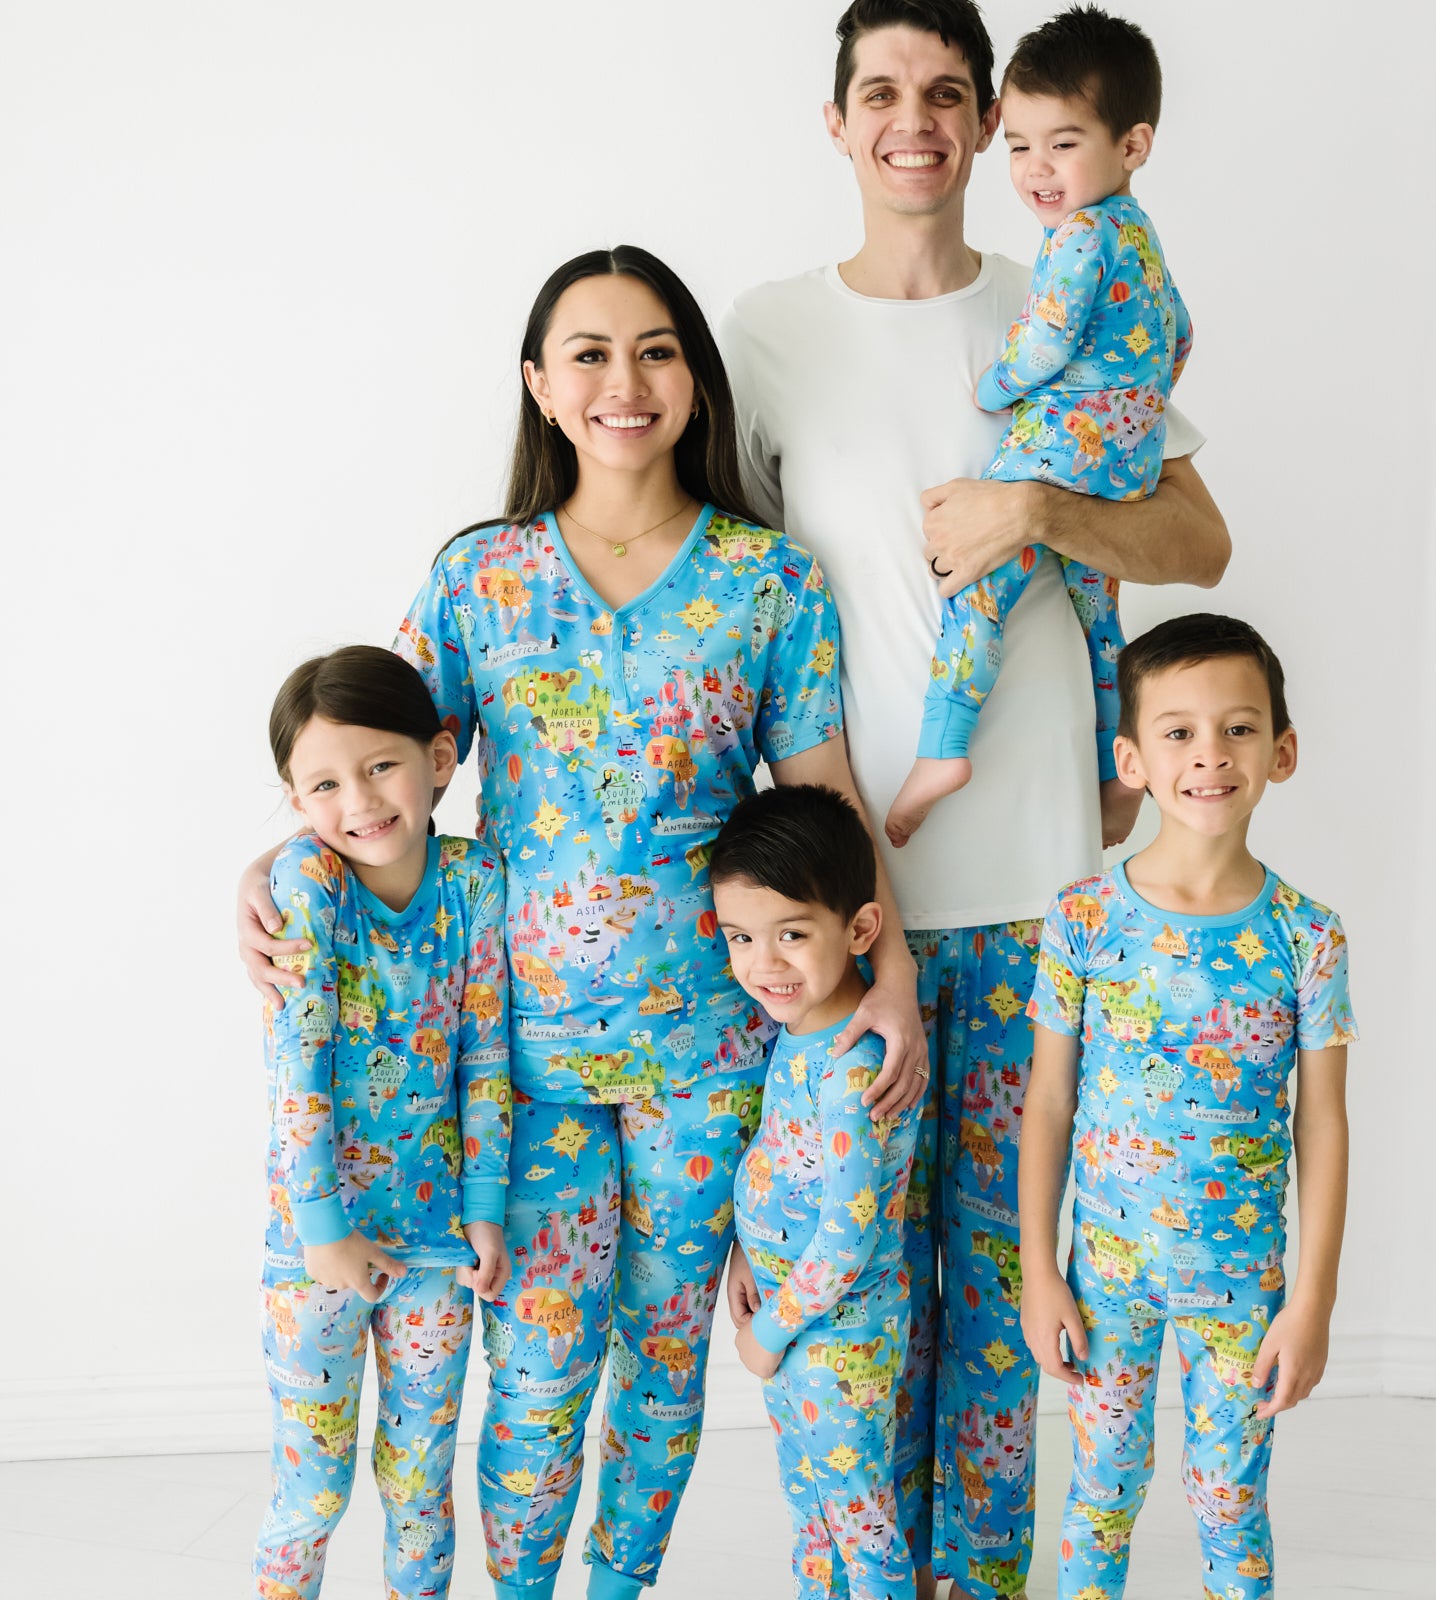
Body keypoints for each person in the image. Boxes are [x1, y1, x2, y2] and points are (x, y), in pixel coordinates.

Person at [237, 246, 928, 1600]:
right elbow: (369, 765)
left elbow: (826, 804)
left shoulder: (766, 583)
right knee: (543, 1368)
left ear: (696, 380)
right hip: (518, 1064)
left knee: (663, 1371)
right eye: (593, 353)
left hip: (712, 1052)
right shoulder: (479, 579)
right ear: (541, 385)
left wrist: (885, 974)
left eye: (658, 349)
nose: (627, 381)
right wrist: (264, 865)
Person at [719, 4, 1229, 1596]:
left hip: (1037, 891)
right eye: (884, 92)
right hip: (834, 921)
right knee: (856, 1318)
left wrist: (1044, 509)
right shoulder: (763, 333)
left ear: (998, 124)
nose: (918, 123)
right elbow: (698, 586)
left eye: (954, 95)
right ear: (836, 120)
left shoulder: (1066, 287)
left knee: (1006, 1310)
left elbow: (1199, 544)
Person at [1019, 614, 1357, 1600]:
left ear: (1280, 751)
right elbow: (1046, 1101)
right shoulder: (1081, 918)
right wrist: (1041, 1268)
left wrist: (1313, 1299)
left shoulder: (1308, 937)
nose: (1209, 754)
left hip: (1245, 1289)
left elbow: (1323, 1123)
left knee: (1227, 1499)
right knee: (1101, 1487)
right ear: (1129, 758)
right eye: (1177, 732)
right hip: (1105, 1277)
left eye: (1238, 729)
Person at [887, 5, 1190, 847]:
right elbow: (1183, 330)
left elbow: (1048, 336)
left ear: (1132, 145)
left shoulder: (1078, 234)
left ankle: (942, 748)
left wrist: (997, 382)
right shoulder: (1142, 235)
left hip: (1062, 450)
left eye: (1062, 143)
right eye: (1018, 145)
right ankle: (1114, 772)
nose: (1035, 170)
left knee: (978, 586)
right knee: (1097, 617)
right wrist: (1140, 402)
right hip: (1125, 459)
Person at [254, 646, 512, 1600]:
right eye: (324, 782)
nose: (358, 800)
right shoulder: (307, 884)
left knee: (418, 1486)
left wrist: (482, 1207)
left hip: (436, 1248)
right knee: (312, 1492)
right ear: (295, 800)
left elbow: (487, 1054)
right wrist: (324, 1230)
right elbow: (300, 1067)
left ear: (441, 759)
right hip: (313, 1248)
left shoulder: (474, 881)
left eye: (380, 766)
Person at [712, 785, 920, 1600]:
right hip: (797, 1322)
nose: (764, 964)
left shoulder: (852, 1066)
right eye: (741, 939)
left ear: (860, 929)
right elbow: (775, 1159)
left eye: (792, 935)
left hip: (839, 1333)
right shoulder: (796, 1035)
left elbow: (848, 1233)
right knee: (813, 1507)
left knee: (860, 1520)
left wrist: (770, 1328)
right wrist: (744, 1250)